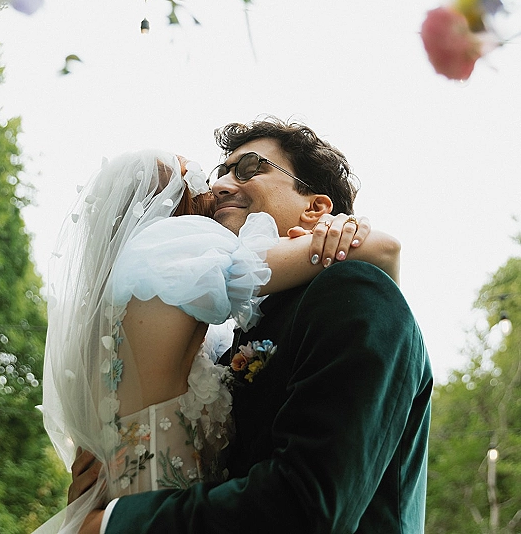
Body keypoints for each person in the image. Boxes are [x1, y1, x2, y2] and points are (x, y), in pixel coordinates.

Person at [75, 118, 432, 534]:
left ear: (316, 209)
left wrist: (112, 523)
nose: (221, 186)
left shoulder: (356, 290)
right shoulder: (224, 328)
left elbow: (306, 505)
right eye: (217, 175)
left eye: (249, 169)